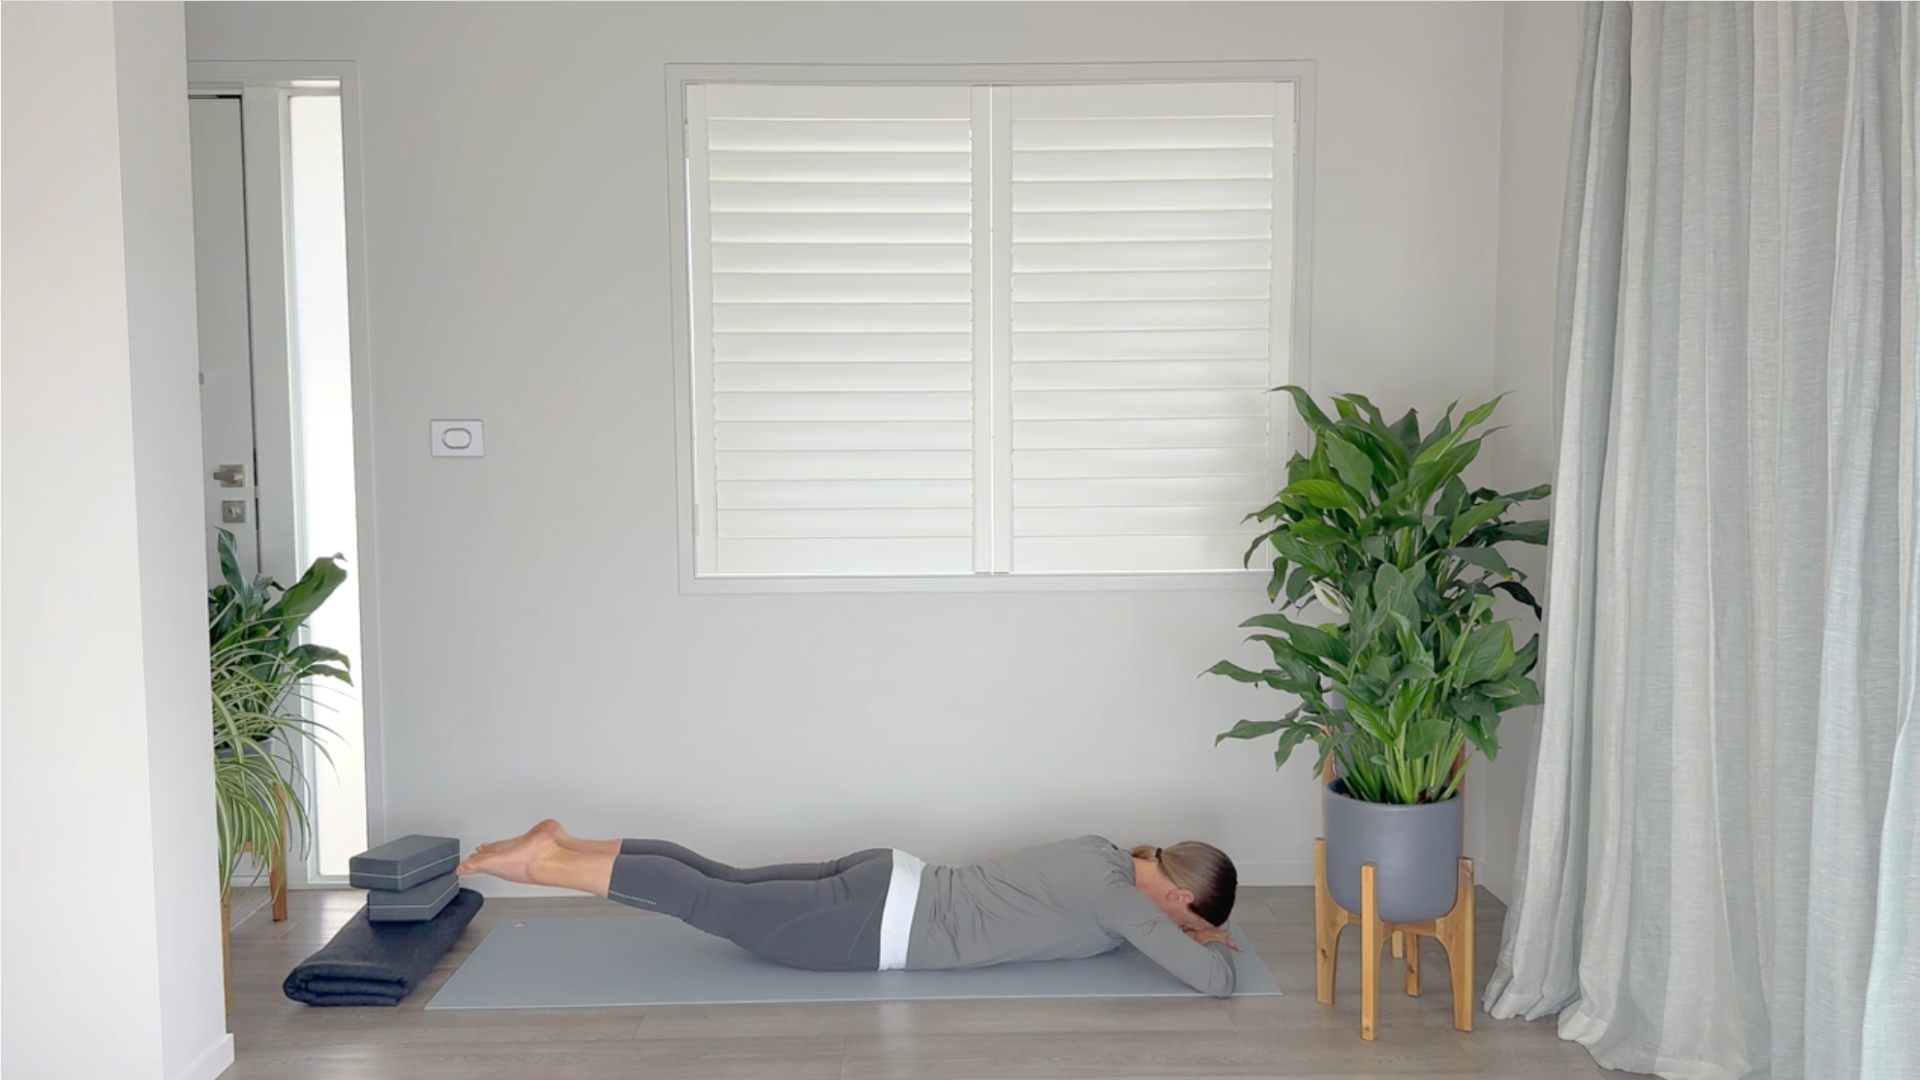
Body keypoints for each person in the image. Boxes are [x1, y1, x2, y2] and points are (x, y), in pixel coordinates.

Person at [457, 822, 1242, 997]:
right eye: (1188, 917)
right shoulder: (1125, 905)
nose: (1179, 930)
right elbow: (1214, 984)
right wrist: (1201, 945)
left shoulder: (1103, 850)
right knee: (707, 901)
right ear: (1177, 896)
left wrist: (1181, 926)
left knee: (720, 877)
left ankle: (568, 843)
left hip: (886, 872)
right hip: (876, 930)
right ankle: (548, 865)